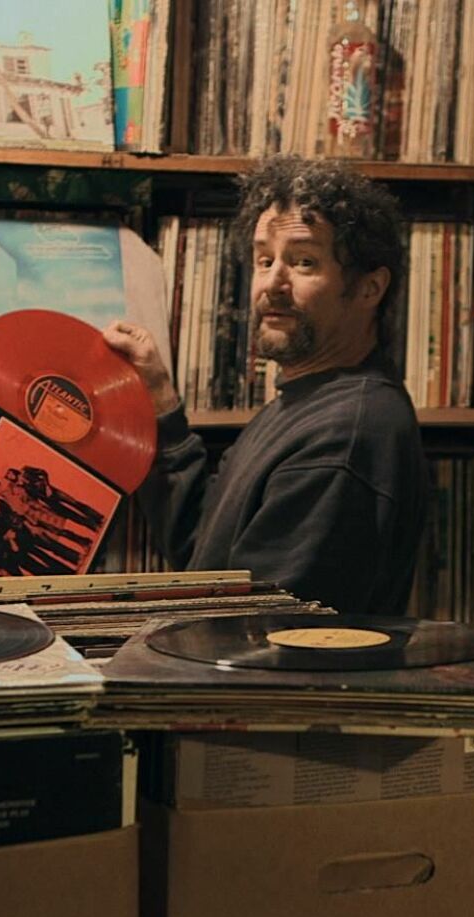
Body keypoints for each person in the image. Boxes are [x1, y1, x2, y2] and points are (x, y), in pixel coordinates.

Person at [102, 155, 430, 615]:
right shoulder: (307, 400)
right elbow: (205, 556)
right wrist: (159, 398)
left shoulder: (345, 436)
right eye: (264, 259)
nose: (272, 283)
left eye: (304, 262)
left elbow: (258, 634)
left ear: (369, 289)